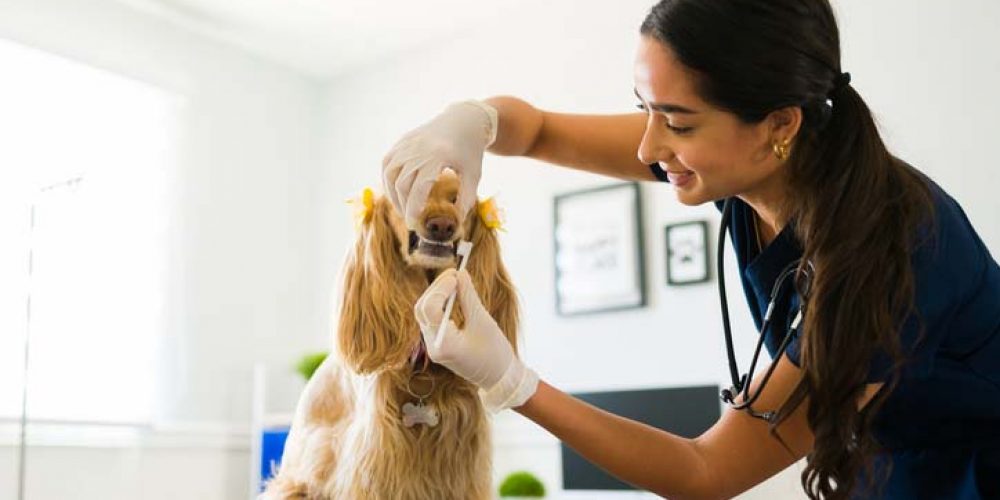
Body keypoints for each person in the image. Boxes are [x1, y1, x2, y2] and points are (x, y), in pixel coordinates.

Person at [383, 1, 1000, 498]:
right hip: (880, 458)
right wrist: (471, 123)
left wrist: (512, 383)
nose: (649, 146)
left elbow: (707, 472)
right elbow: (538, 129)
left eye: (676, 122)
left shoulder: (895, 257)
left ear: (780, 124)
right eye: (642, 108)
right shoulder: (744, 164)